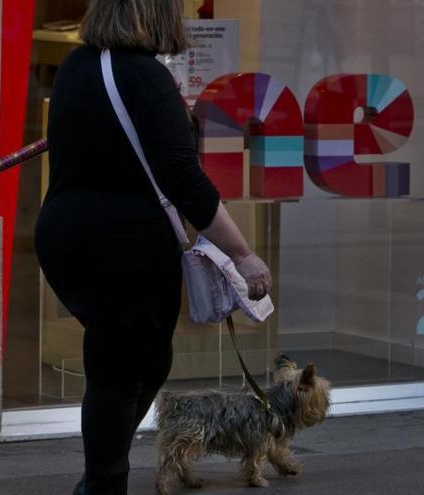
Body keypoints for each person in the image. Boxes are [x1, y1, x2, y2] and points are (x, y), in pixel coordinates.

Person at [34, 1, 272, 493]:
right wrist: (244, 254)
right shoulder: (147, 79)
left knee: (141, 358)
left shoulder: (78, 67)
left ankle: (101, 477)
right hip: (123, 244)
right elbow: (185, 179)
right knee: (119, 367)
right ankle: (104, 483)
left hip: (68, 233)